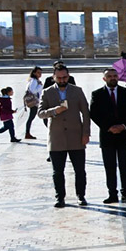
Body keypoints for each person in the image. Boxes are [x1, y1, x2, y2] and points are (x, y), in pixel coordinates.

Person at [38, 64, 91, 207]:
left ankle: (81, 196)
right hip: (57, 139)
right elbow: (40, 113)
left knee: (80, 170)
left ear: (69, 76)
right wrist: (55, 111)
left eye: (65, 77)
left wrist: (86, 133)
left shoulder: (77, 91)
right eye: (59, 77)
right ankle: (60, 197)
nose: (62, 80)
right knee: (57, 172)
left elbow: (86, 113)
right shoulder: (47, 92)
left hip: (76, 137)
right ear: (53, 77)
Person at [89, 68, 126, 204]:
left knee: (124, 166)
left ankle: (125, 192)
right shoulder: (97, 94)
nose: (113, 78)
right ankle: (112, 193)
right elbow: (94, 114)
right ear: (104, 78)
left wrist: (123, 126)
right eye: (109, 76)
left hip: (124, 135)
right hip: (107, 136)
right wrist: (108, 127)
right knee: (109, 166)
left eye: (115, 76)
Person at [23, 66, 43, 140]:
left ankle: (27, 133)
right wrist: (40, 86)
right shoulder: (34, 81)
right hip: (34, 102)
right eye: (38, 72)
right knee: (32, 117)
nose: (40, 74)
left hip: (36, 101)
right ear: (34, 73)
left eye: (41, 72)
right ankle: (27, 133)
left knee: (33, 117)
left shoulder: (34, 80)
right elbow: (33, 91)